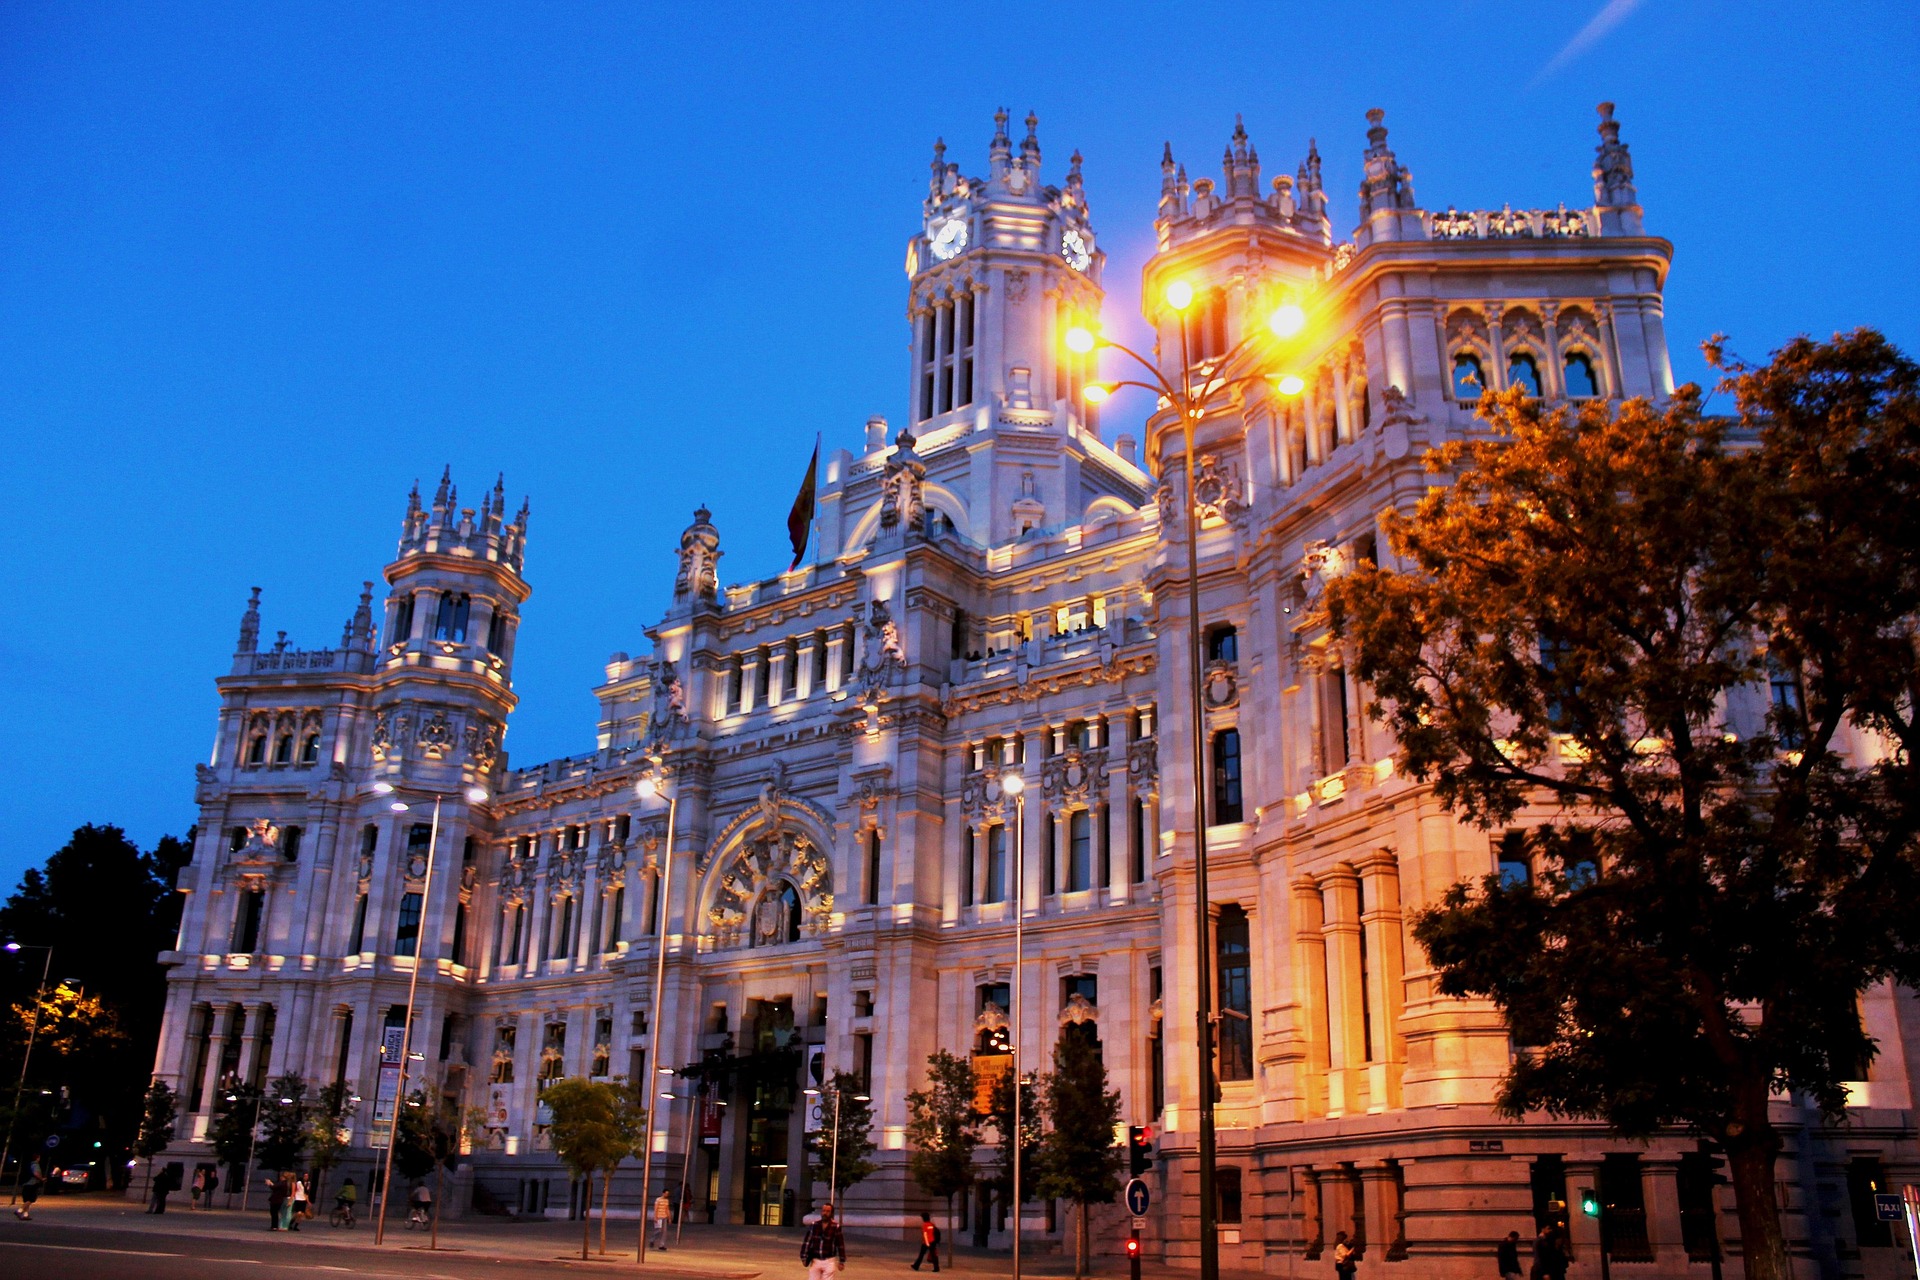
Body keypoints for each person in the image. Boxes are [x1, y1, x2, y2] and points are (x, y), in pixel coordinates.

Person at [800, 1201, 847, 1280]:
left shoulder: (835, 1227)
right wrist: (804, 1257)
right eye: (823, 1211)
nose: (825, 1213)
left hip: (829, 1261)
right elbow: (807, 1242)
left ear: (831, 1213)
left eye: (828, 1211)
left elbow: (840, 1244)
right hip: (815, 1260)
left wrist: (842, 1260)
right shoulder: (814, 1225)